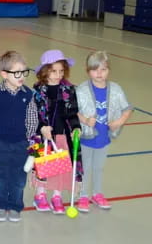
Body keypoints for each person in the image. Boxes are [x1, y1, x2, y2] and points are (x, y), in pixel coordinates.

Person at [0, 51, 38, 223]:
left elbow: (32, 119)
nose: (21, 76)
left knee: (18, 178)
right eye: (17, 73)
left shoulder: (28, 94)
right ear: (4, 74)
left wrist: (31, 142)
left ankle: (15, 206)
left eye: (24, 72)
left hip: (21, 144)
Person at [76, 51, 132, 212]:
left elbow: (127, 109)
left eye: (103, 69)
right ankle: (83, 196)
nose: (99, 74)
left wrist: (119, 121)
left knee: (98, 168)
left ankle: (97, 194)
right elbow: (73, 111)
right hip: (86, 138)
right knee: (85, 168)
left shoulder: (115, 89)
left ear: (109, 70)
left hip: (104, 138)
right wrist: (85, 120)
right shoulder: (81, 90)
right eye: (95, 70)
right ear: (88, 71)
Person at [32, 49, 82, 214]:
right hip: (43, 136)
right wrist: (41, 127)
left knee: (61, 166)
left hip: (62, 134)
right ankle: (40, 195)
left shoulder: (69, 90)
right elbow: (34, 115)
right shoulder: (38, 91)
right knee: (43, 166)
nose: (58, 75)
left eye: (61, 71)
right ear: (45, 71)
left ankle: (57, 195)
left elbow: (73, 112)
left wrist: (76, 127)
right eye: (54, 71)